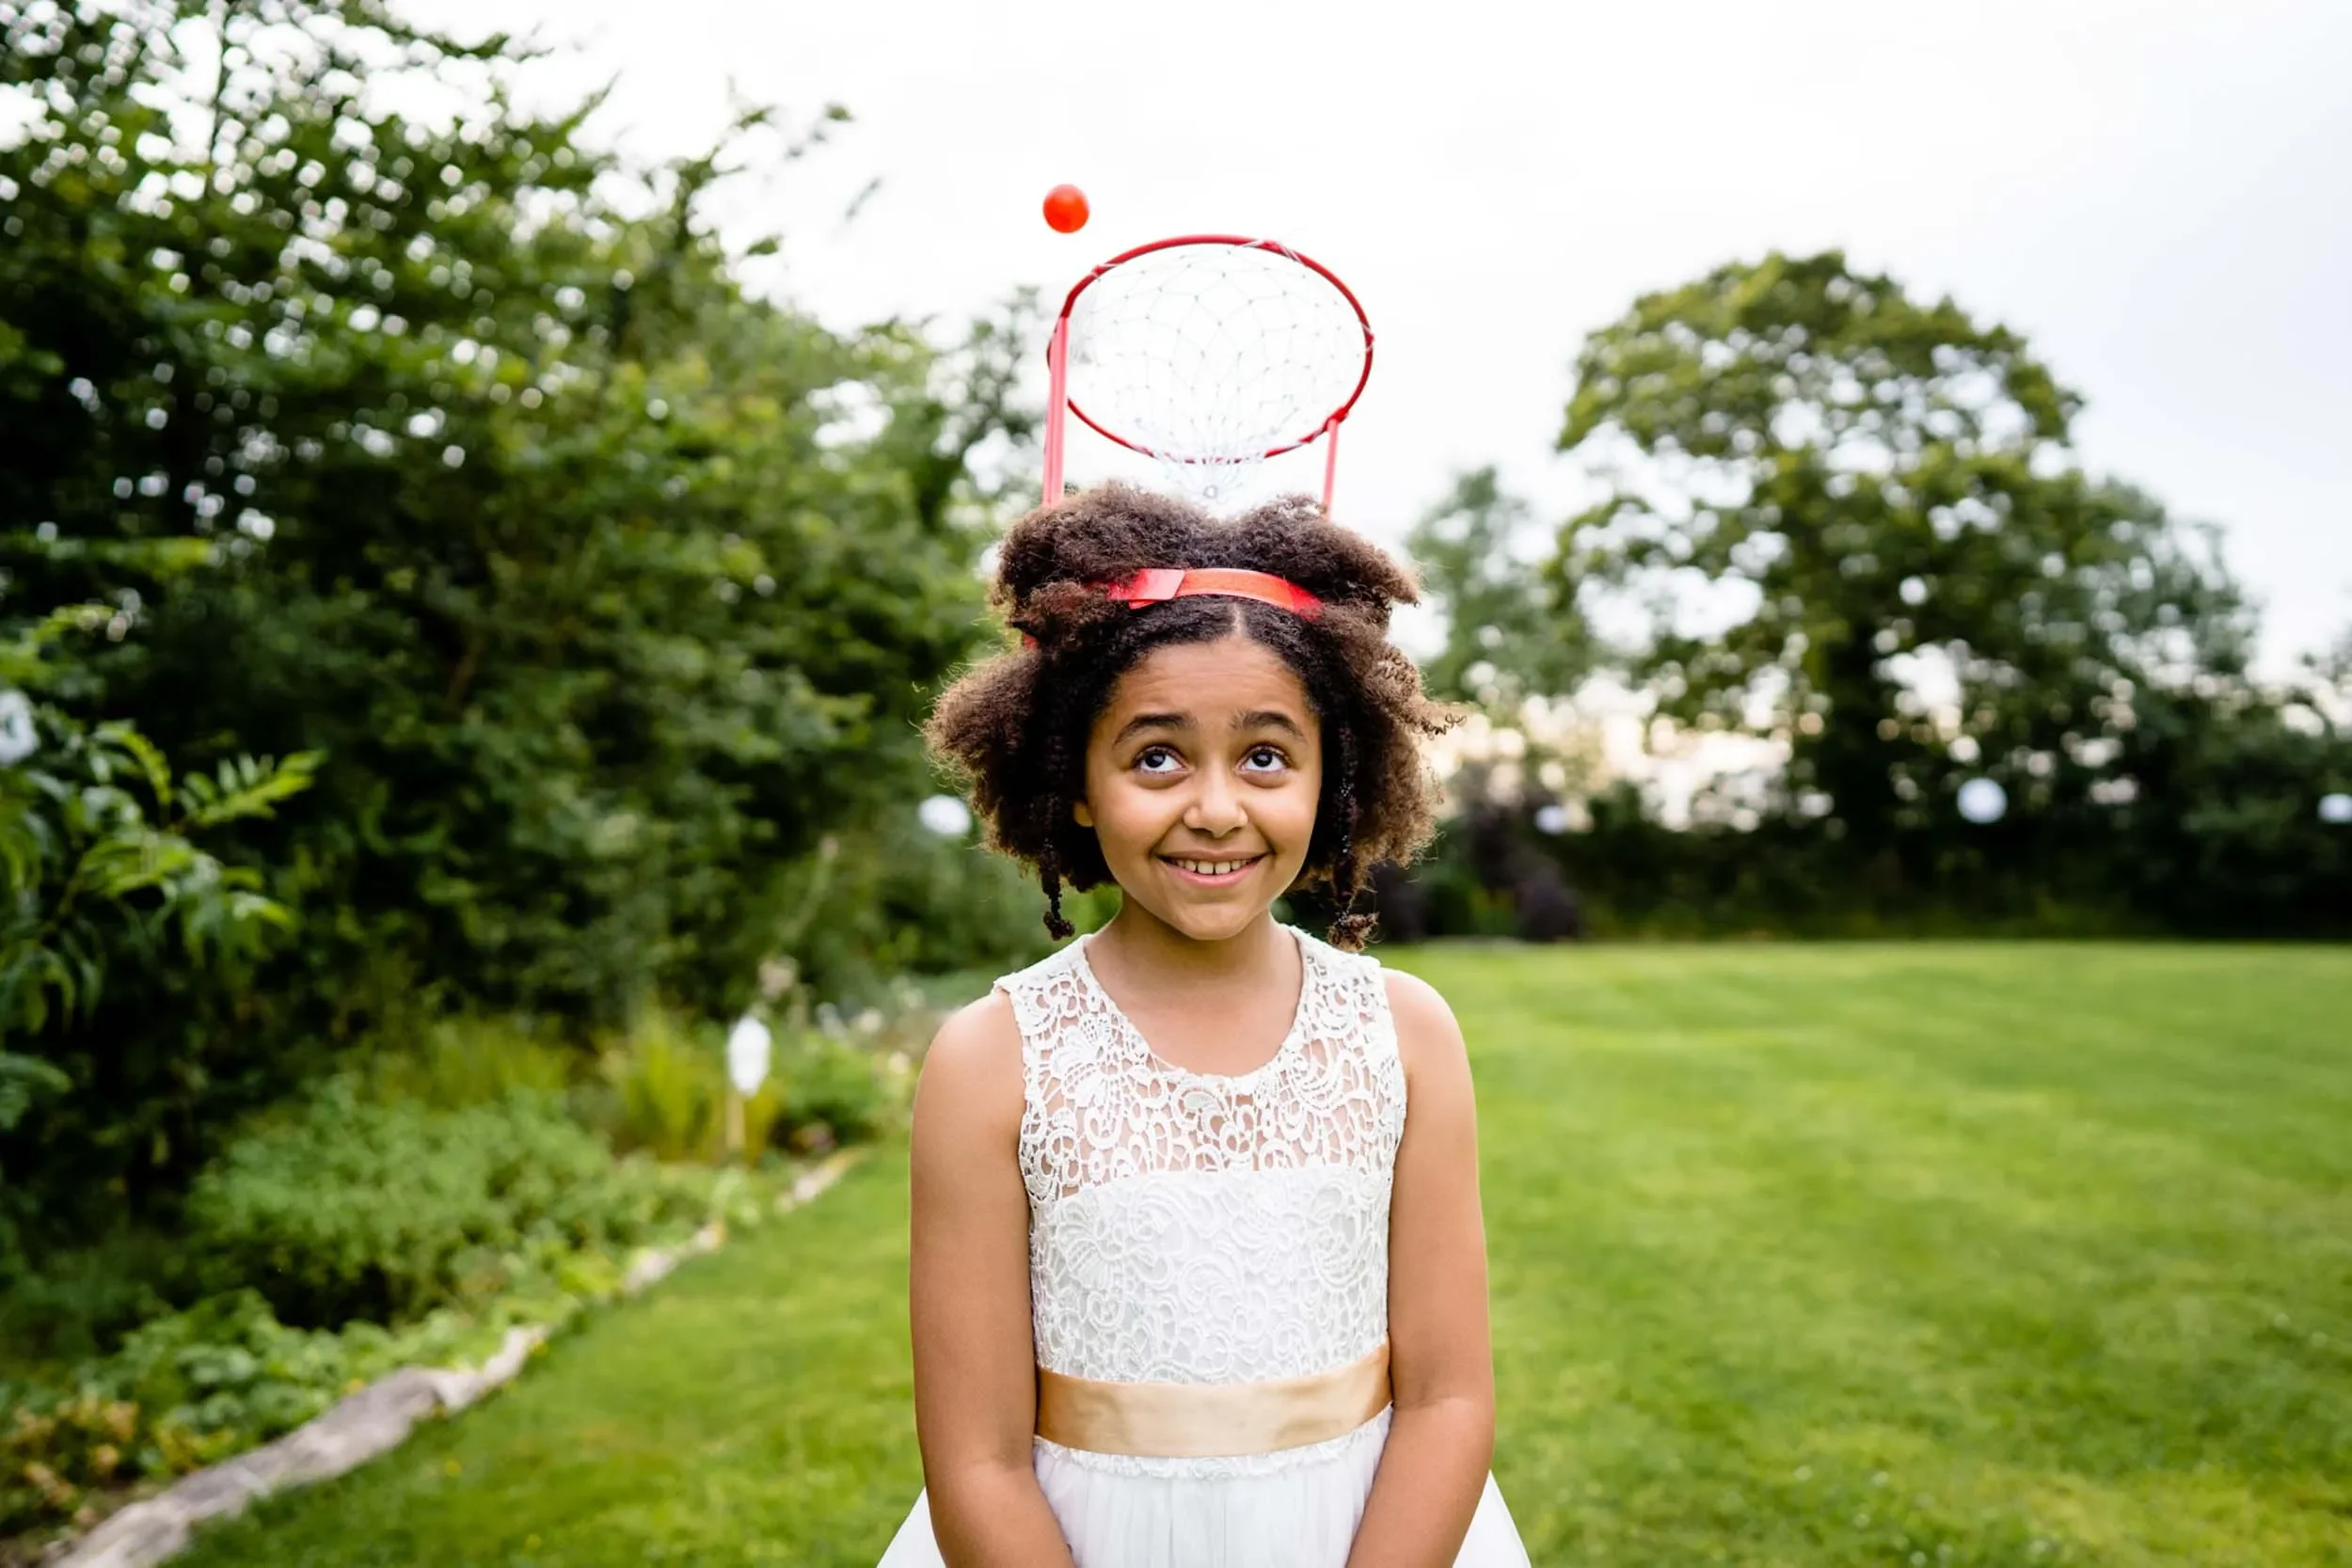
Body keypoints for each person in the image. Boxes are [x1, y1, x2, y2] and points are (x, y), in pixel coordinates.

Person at [876, 483, 1532, 1568]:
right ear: (1075, 781)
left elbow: (1450, 1396)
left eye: (1267, 756)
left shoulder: (1405, 1034)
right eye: (1156, 756)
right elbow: (978, 1462)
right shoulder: (991, 1061)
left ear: (1334, 779)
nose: (1217, 806)